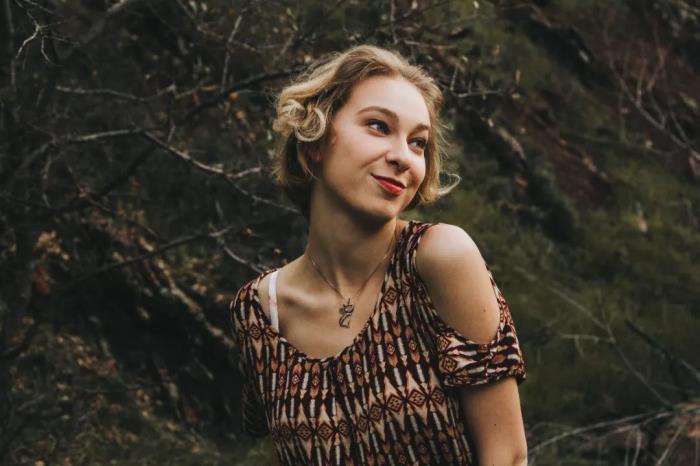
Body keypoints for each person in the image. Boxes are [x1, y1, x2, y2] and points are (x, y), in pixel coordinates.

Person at [229, 44, 527, 466]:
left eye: (418, 143)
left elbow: (507, 455)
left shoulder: (437, 259)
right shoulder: (261, 313)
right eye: (378, 126)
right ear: (314, 142)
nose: (403, 157)